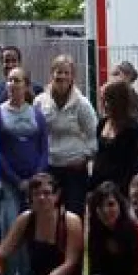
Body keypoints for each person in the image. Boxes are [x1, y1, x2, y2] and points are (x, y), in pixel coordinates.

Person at [0, 66, 48, 275]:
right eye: (10, 80)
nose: (13, 84)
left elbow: (44, 149)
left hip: (34, 184)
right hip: (9, 183)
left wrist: (36, 179)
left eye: (18, 80)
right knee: (11, 230)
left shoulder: (37, 114)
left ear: (27, 86)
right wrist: (16, 180)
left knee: (33, 232)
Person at [33, 55, 96, 217]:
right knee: (47, 214)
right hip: (49, 168)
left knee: (74, 215)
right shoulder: (39, 102)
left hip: (74, 170)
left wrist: (84, 158)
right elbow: (35, 134)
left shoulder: (82, 104)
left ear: (72, 76)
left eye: (66, 72)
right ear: (51, 74)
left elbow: (93, 136)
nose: (62, 76)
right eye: (58, 72)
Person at [89, 80, 138, 194]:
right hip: (99, 184)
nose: (103, 105)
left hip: (120, 186)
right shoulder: (102, 123)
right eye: (102, 100)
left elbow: (134, 165)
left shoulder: (133, 129)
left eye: (107, 101)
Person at [0, 46, 42, 116]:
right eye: (7, 61)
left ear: (19, 63)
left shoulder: (37, 90)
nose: (10, 65)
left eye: (14, 60)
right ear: (2, 63)